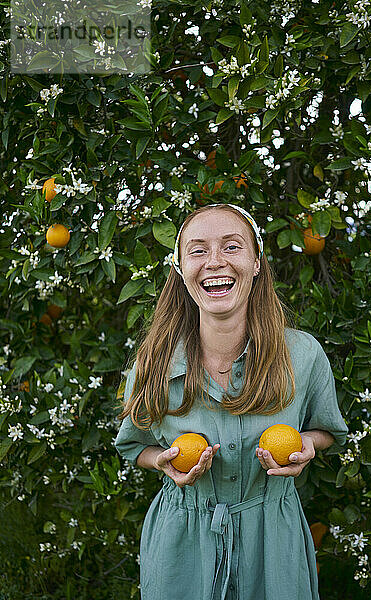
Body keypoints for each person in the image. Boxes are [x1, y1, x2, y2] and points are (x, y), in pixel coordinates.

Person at [114, 203, 349, 600]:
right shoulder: (153, 361)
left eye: (232, 246)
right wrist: (163, 462)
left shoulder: (303, 355)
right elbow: (134, 445)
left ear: (256, 263)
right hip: (182, 543)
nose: (215, 262)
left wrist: (308, 444)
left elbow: (328, 430)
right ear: (180, 268)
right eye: (198, 250)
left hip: (273, 538)